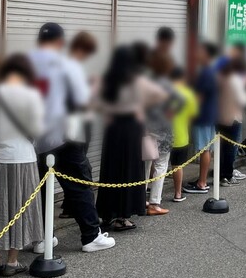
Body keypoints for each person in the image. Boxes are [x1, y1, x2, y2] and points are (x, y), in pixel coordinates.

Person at [29, 23, 113, 253]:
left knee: (40, 189)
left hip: (37, 140)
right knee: (79, 185)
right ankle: (91, 236)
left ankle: (42, 239)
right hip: (66, 135)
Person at [0, 54, 45, 277]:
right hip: (22, 158)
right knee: (19, 209)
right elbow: (37, 130)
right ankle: (13, 261)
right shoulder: (31, 96)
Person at [97, 45, 168, 230]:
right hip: (131, 130)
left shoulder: (108, 79)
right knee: (128, 172)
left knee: (111, 172)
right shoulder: (135, 80)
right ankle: (123, 217)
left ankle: (107, 214)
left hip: (112, 130)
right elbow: (160, 95)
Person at [59, 31, 98, 219]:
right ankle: (82, 215)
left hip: (72, 124)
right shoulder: (71, 67)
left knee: (73, 168)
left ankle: (69, 207)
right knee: (80, 169)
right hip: (75, 124)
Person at [145, 54, 183, 215]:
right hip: (164, 131)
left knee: (145, 165)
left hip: (147, 129)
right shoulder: (168, 85)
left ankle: (140, 201)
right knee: (160, 166)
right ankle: (154, 203)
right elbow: (180, 102)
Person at [183, 42, 219, 194]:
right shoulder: (212, 70)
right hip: (209, 115)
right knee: (207, 148)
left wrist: (187, 113)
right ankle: (201, 180)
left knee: (204, 149)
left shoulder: (206, 72)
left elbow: (199, 98)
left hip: (203, 115)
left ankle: (202, 183)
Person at [218, 58, 246, 185]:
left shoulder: (219, 78)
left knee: (221, 147)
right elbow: (244, 100)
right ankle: (227, 175)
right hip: (234, 117)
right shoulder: (236, 80)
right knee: (230, 147)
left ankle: (220, 174)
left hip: (220, 116)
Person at [169, 67, 198, 202]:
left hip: (161, 135)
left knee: (157, 165)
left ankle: (150, 195)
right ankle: (178, 194)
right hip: (180, 135)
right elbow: (193, 114)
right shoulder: (188, 94)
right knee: (177, 165)